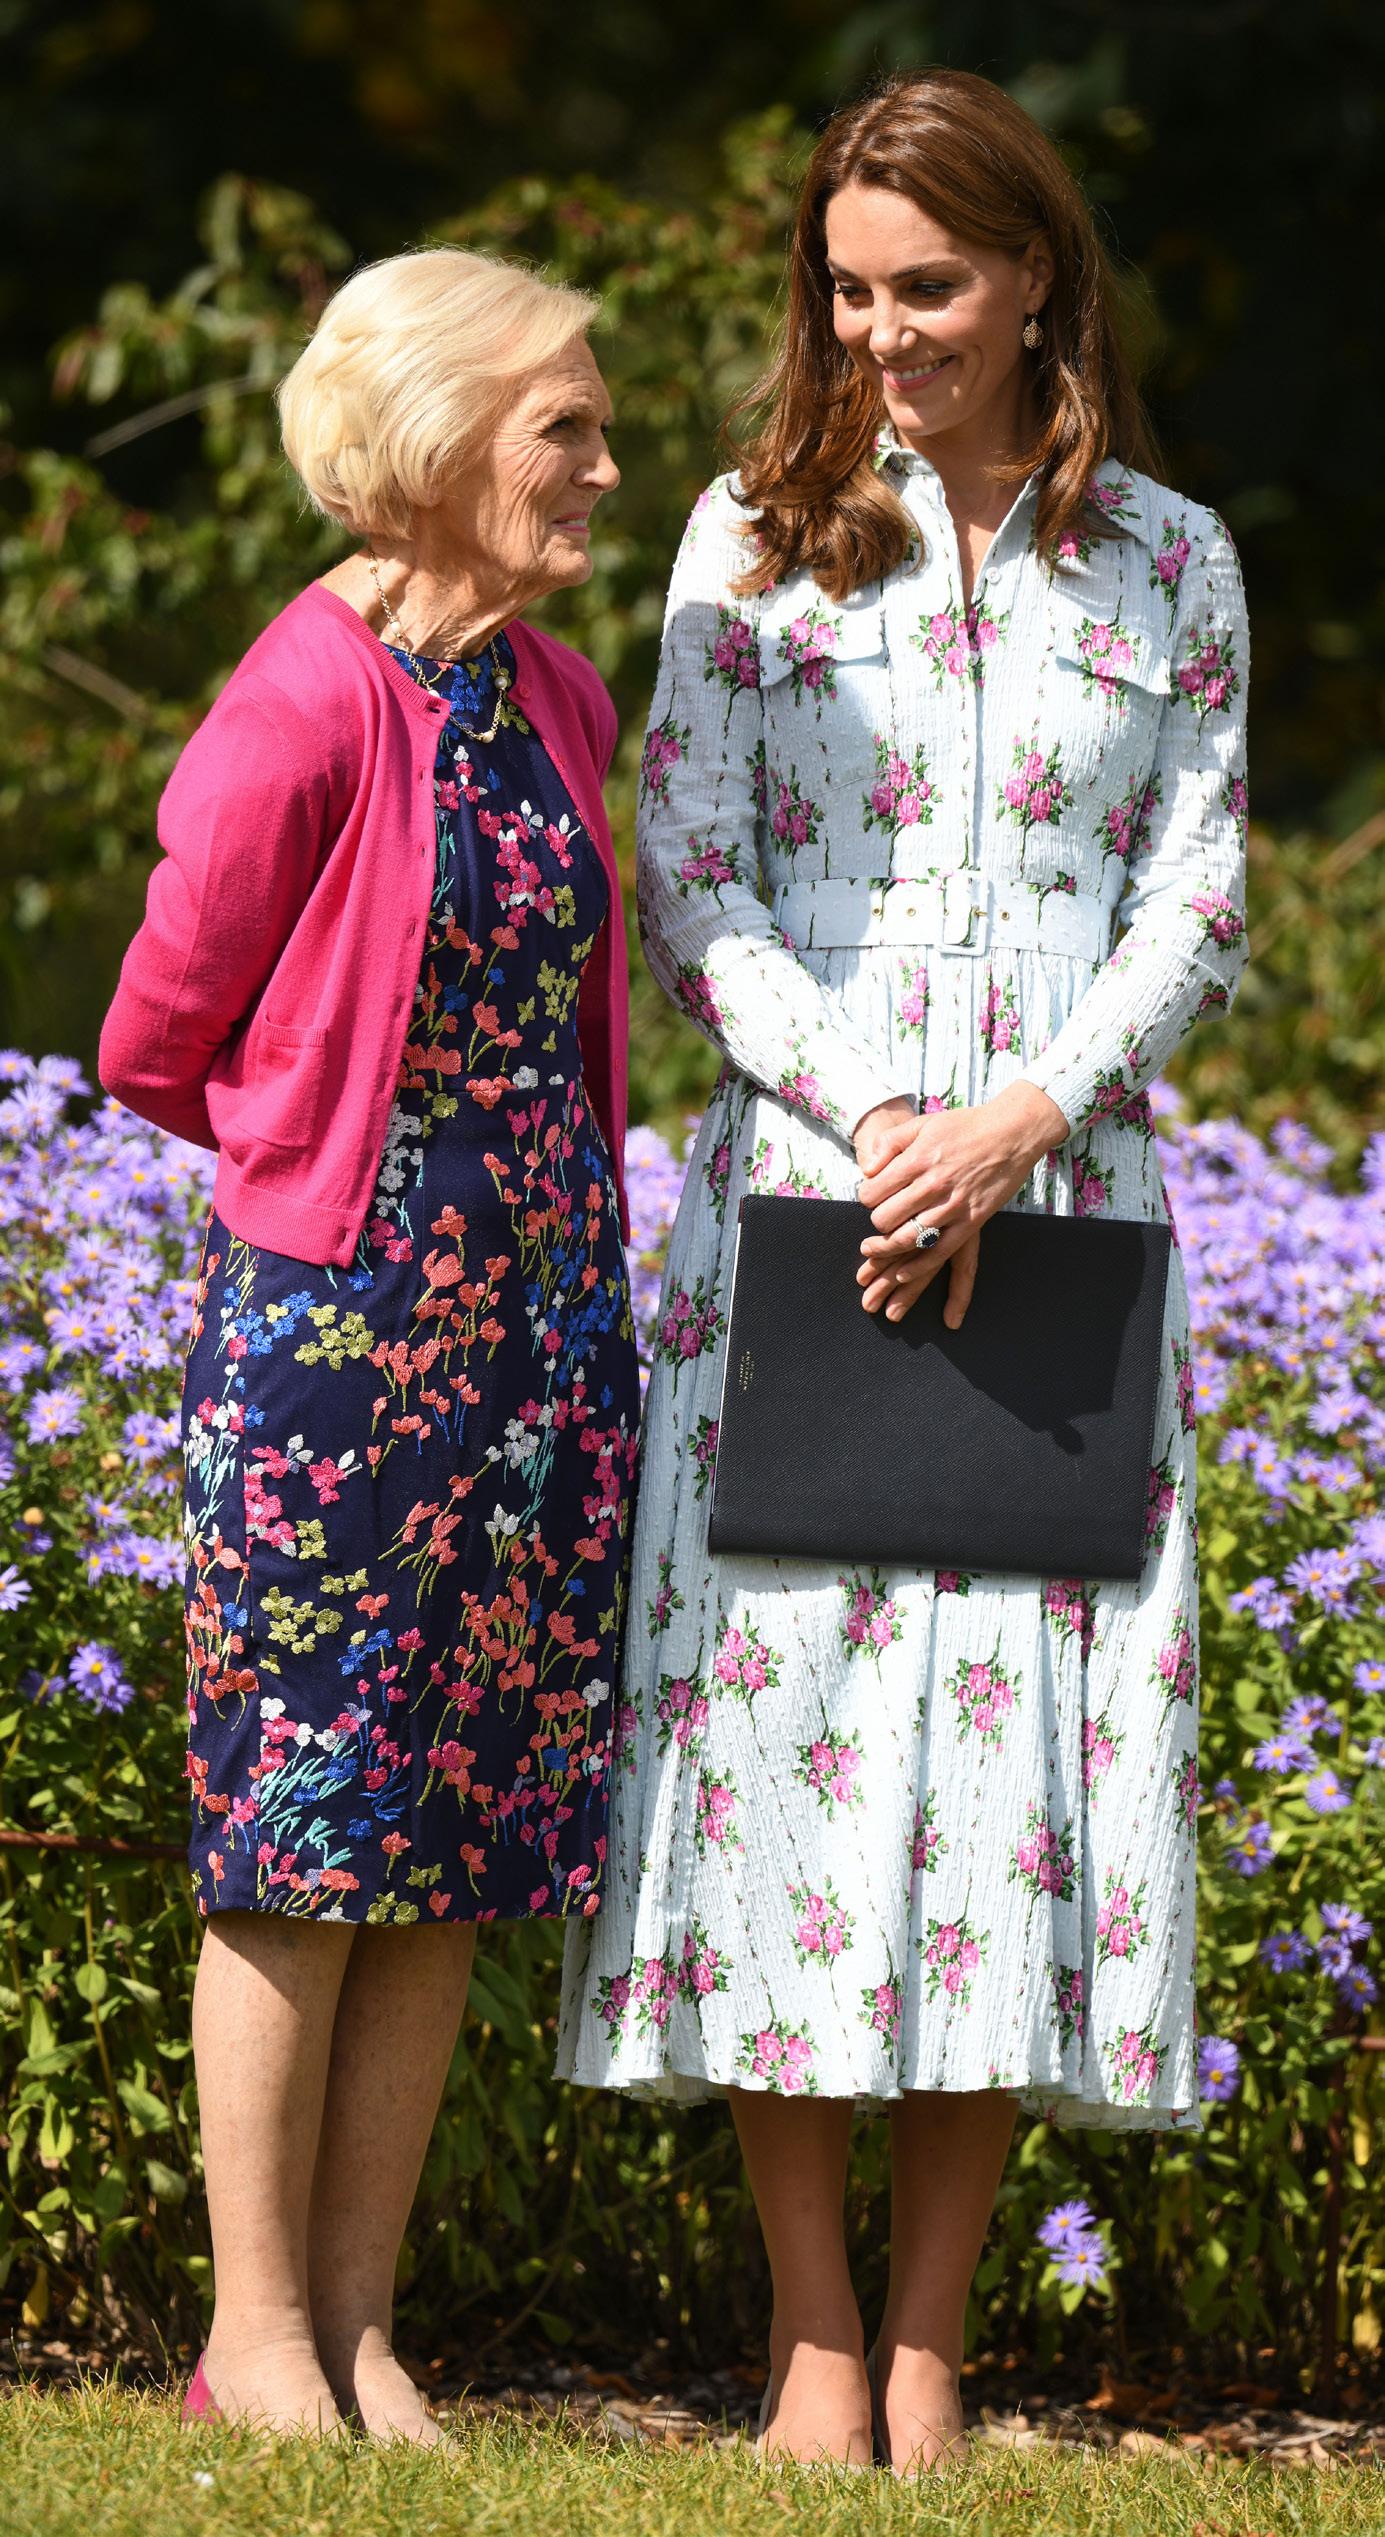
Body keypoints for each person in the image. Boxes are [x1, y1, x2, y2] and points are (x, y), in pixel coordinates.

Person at [558, 67, 1248, 2474]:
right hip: (810, 1216)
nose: (883, 336)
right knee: (786, 1764)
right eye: (848, 294)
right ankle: (817, 2336)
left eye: (927, 287)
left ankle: (941, 2341)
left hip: (1055, 1210)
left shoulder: (1172, 559)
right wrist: (871, 1123)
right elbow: (696, 867)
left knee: (1012, 1767)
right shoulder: (752, 546)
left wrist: (1030, 1112)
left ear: (1037, 272)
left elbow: (1196, 887)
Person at [99, 245, 639, 2440]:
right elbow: (156, 1024)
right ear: (429, 447)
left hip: (542, 1335)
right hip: (340, 1341)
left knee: (465, 1833)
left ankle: (367, 2323)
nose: (606, 462)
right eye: (565, 427)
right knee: (301, 1832)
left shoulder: (563, 699)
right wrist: (322, 1155)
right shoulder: (305, 696)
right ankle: (252, 2337)